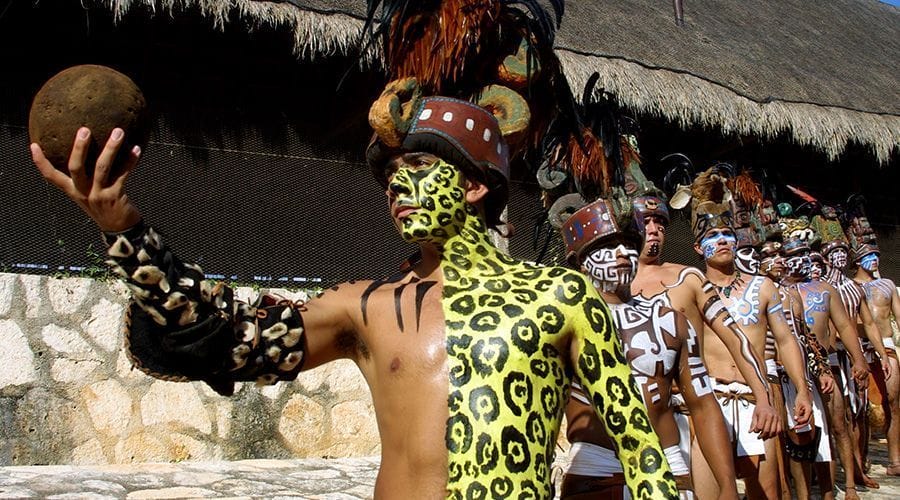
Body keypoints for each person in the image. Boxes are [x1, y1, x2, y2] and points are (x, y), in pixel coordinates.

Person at [30, 87, 678, 499]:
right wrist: (123, 227)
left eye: (417, 167)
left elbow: (639, 445)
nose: (396, 185)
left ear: (475, 186)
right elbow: (224, 340)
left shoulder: (561, 296)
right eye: (390, 175)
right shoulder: (366, 307)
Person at [558, 196, 738, 499]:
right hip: (594, 469)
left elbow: (703, 405)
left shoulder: (670, 321)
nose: (621, 253)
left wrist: (728, 485)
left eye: (629, 243)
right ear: (581, 263)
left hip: (667, 466)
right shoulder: (562, 324)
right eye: (607, 246)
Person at [678, 168, 812, 499]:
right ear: (698, 247)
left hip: (757, 399)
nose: (723, 240)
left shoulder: (763, 286)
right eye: (713, 236)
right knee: (709, 493)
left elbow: (785, 341)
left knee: (766, 491)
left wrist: (802, 389)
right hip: (710, 401)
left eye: (727, 233)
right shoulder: (691, 290)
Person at [851, 244, 900, 477]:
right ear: (857, 261)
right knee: (860, 407)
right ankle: (861, 459)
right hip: (860, 349)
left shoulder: (888, 284)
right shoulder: (849, 287)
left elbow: (898, 316)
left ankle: (895, 459)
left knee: (893, 401)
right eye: (869, 256)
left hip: (886, 347)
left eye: (877, 255)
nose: (875, 259)